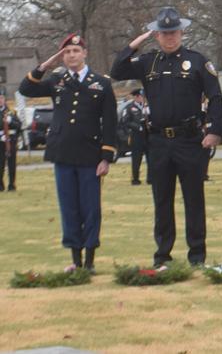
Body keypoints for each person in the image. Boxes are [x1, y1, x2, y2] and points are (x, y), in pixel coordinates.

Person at [110, 7, 222, 267]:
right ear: (157, 36)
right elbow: (117, 70)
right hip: (158, 141)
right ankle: (163, 255)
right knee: (162, 200)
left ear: (182, 33)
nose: (169, 37)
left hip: (190, 139)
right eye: (164, 33)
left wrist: (214, 130)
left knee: (194, 199)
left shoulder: (197, 61)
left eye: (174, 32)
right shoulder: (148, 62)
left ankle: (197, 255)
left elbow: (215, 96)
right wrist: (136, 43)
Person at [19, 34, 117, 272]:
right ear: (62, 57)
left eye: (75, 51)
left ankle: (90, 261)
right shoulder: (57, 79)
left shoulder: (100, 83)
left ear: (84, 53)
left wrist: (106, 157)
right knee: (69, 207)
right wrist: (44, 66)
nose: (71, 55)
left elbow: (111, 122)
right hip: (62, 152)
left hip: (89, 155)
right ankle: (75, 259)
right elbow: (26, 88)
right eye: (67, 52)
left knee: (91, 209)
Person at [121, 88, 148, 185]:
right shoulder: (129, 107)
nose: (142, 98)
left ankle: (151, 178)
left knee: (151, 158)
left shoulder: (146, 106)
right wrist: (137, 127)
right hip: (136, 136)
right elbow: (125, 121)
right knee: (136, 159)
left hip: (147, 135)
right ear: (136, 97)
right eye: (141, 96)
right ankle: (135, 179)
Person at [0, 89, 22, 192]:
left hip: (11, 141)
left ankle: (11, 185)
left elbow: (19, 125)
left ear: (4, 99)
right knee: (0, 164)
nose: (0, 100)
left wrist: (10, 121)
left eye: (1, 98)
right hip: (0, 141)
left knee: (12, 164)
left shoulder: (11, 112)